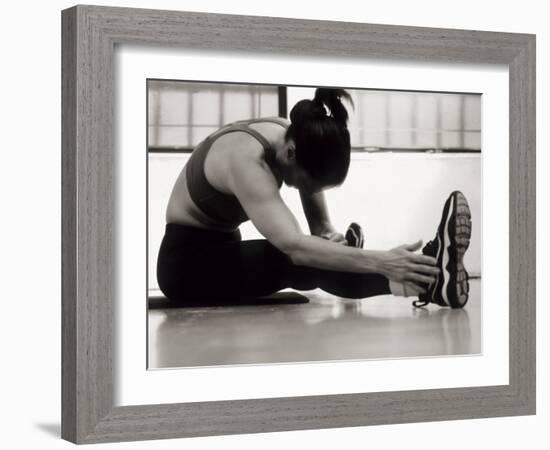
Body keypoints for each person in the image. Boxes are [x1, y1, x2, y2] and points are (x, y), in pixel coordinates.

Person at [156, 88, 471, 309]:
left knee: (318, 252)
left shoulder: (295, 137)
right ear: (291, 154)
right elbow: (294, 247)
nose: (303, 189)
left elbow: (318, 226)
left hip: (222, 248)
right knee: (296, 259)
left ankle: (426, 277)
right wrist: (382, 260)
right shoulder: (245, 158)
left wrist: (330, 240)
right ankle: (427, 280)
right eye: (308, 183)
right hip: (187, 267)